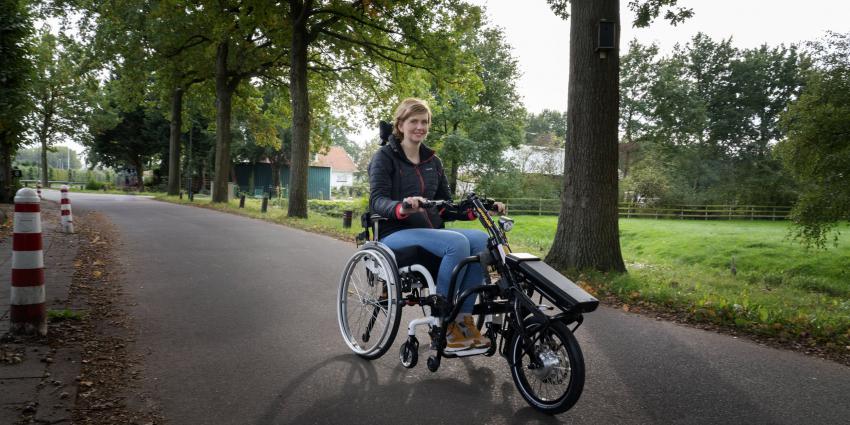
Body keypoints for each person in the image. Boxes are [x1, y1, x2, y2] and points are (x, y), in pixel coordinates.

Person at [368, 98, 504, 352]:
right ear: (400, 124)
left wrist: (479, 209)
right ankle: (442, 320)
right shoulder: (384, 157)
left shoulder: (433, 162)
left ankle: (462, 323)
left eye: (424, 122)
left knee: (480, 241)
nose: (419, 127)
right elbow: (377, 201)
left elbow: (445, 206)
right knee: (457, 242)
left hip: (430, 231)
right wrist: (403, 207)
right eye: (413, 121)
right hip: (393, 233)